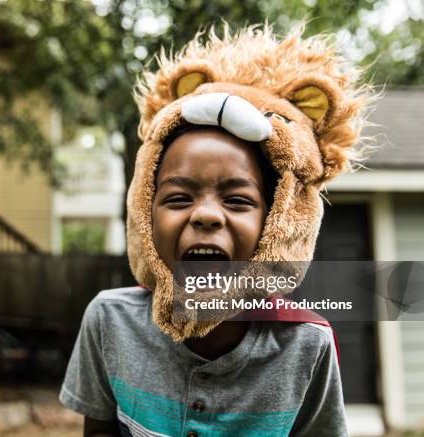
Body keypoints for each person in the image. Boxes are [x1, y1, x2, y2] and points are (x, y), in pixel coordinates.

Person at [60, 23, 371, 437]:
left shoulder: (306, 344)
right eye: (178, 198)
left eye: (237, 200)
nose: (206, 216)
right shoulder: (109, 321)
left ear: (276, 225)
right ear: (144, 214)